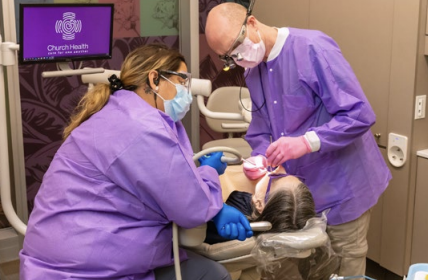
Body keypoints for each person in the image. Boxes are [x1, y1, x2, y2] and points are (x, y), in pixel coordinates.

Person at [19, 43, 253, 280]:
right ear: (154, 79)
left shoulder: (114, 113)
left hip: (55, 255)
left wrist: (203, 179)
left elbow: (157, 183)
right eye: (182, 81)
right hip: (84, 266)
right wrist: (210, 175)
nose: (186, 91)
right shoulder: (143, 128)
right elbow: (192, 208)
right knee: (213, 274)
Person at [205, 3, 392, 278]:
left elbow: (359, 113)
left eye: (237, 46)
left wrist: (307, 141)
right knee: (301, 267)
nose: (237, 58)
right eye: (228, 57)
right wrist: (259, 156)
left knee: (341, 268)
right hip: (299, 199)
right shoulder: (252, 70)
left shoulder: (313, 48)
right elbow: (260, 128)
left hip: (342, 189)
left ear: (253, 23)